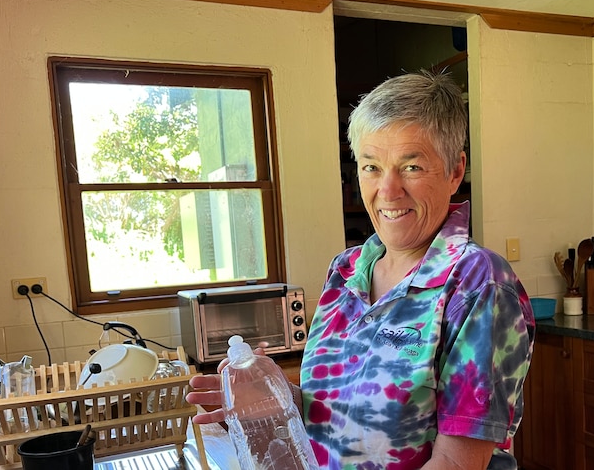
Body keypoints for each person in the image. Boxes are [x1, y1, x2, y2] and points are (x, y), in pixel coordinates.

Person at [187, 70, 536, 469]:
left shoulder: (478, 284)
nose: (387, 191)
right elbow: (346, 414)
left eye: (411, 167)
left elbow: (456, 464)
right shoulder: (345, 270)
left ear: (456, 171)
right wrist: (279, 399)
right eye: (371, 166)